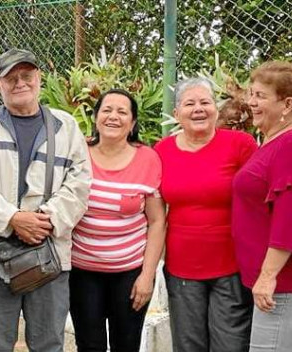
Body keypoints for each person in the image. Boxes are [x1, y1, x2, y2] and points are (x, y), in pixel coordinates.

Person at [0, 48, 91, 352]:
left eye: (27, 75)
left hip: (49, 254)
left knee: (48, 343)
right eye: (11, 78)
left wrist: (45, 220)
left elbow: (80, 181)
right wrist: (12, 219)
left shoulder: (66, 126)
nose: (20, 82)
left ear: (39, 79)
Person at [232, 61, 292, 351]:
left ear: (287, 104)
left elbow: (291, 217)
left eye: (260, 96)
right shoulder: (272, 142)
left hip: (288, 282)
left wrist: (267, 277)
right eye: (251, 94)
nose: (251, 102)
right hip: (281, 281)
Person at [154, 77, 257, 352]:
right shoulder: (162, 151)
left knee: (231, 345)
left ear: (216, 109)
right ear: (177, 114)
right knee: (188, 345)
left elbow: (258, 202)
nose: (198, 109)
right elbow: (154, 213)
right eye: (189, 103)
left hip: (232, 266)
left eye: (205, 102)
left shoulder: (241, 144)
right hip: (181, 268)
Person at [69, 89, 165, 352]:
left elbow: (157, 221)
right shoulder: (78, 154)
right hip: (82, 272)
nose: (114, 116)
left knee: (127, 344)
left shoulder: (148, 159)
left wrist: (147, 276)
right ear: (96, 117)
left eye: (122, 112)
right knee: (89, 345)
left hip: (130, 273)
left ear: (132, 123)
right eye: (107, 110)